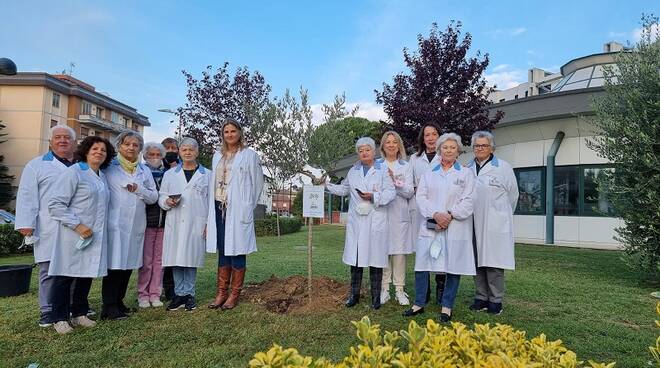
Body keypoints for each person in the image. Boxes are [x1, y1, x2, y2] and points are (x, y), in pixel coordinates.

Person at [403, 132, 475, 323]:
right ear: (439, 150)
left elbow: (469, 200)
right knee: (422, 264)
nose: (448, 150)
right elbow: (421, 197)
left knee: (453, 266)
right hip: (431, 224)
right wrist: (436, 214)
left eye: (452, 147)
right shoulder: (429, 173)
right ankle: (418, 304)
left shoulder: (466, 173)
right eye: (445, 147)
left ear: (458, 150)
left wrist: (450, 215)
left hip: (455, 225)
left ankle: (447, 306)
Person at [47, 136, 115, 334]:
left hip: (93, 235)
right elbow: (56, 204)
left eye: (103, 150)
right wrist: (77, 225)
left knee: (85, 275)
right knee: (64, 277)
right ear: (86, 151)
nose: (99, 152)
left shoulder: (101, 176)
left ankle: (79, 313)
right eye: (95, 148)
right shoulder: (75, 172)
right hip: (73, 234)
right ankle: (59, 318)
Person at [15, 125, 77, 328]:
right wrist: (26, 223)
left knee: (74, 269)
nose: (62, 141)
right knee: (49, 269)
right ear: (50, 142)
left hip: (76, 225)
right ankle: (48, 310)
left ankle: (69, 306)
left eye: (67, 138)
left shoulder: (81, 165)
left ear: (74, 142)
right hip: (49, 225)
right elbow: (26, 195)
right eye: (57, 137)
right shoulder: (37, 165)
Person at [326, 137, 396, 310]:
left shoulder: (383, 169)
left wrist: (373, 197)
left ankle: (375, 298)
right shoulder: (353, 171)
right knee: (356, 260)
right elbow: (344, 189)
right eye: (361, 150)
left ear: (374, 151)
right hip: (358, 221)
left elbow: (391, 193)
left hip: (375, 220)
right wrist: (326, 185)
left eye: (367, 150)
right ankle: (354, 296)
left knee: (375, 260)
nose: (364, 153)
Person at [206, 119, 264, 310]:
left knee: (237, 249)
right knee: (223, 249)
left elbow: (257, 184)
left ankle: (234, 294)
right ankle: (221, 292)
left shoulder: (249, 155)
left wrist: (247, 206)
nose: (229, 134)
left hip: (237, 209)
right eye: (226, 132)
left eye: (233, 131)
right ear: (222, 135)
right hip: (218, 206)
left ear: (240, 132)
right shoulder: (217, 156)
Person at [102, 132, 158, 320]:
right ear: (119, 146)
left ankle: (119, 302)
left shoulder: (144, 171)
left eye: (135, 145)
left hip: (136, 224)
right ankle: (109, 306)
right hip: (115, 224)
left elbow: (153, 197)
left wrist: (139, 189)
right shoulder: (109, 168)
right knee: (114, 266)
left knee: (127, 266)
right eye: (127, 144)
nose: (131, 148)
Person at [467, 131, 518, 315]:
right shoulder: (468, 168)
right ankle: (481, 298)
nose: (480, 148)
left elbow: (513, 196)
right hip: (473, 223)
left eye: (484, 145)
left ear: (492, 148)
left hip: (495, 223)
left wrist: (500, 215)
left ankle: (495, 300)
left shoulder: (503, 168)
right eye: (477, 146)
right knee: (477, 262)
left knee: (494, 263)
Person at [160, 137, 211, 311]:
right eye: (184, 150)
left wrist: (208, 224)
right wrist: (167, 201)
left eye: (191, 149)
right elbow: (161, 196)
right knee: (176, 259)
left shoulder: (207, 175)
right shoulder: (169, 174)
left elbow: (211, 203)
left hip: (196, 222)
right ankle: (178, 295)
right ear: (179, 152)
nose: (187, 152)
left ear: (197, 152)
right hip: (175, 221)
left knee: (190, 259)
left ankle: (189, 294)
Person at [409, 124, 446, 305]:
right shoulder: (414, 159)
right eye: (427, 135)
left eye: (434, 134)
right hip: (421, 211)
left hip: (440, 211)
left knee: (439, 249)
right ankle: (424, 293)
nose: (431, 138)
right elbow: (410, 185)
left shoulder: (445, 157)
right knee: (423, 251)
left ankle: (441, 290)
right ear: (422, 139)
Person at [377, 131, 414, 306]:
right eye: (387, 142)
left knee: (399, 253)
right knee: (383, 251)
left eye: (394, 142)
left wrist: (394, 182)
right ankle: (384, 288)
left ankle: (399, 289)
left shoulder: (406, 166)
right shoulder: (377, 165)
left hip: (399, 214)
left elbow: (409, 191)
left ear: (399, 145)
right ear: (383, 146)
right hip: (382, 213)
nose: (391, 145)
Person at [136, 142, 168, 308]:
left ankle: (155, 293)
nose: (155, 158)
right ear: (145, 156)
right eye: (151, 155)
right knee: (146, 261)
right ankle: (143, 294)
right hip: (147, 223)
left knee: (159, 261)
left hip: (164, 224)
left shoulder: (168, 174)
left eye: (158, 155)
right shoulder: (141, 172)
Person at [160, 137, 179, 301]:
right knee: (156, 258)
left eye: (174, 148)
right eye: (168, 148)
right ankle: (153, 289)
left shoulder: (180, 168)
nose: (171, 151)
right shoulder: (155, 167)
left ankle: (170, 287)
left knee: (172, 257)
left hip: (175, 217)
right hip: (156, 219)